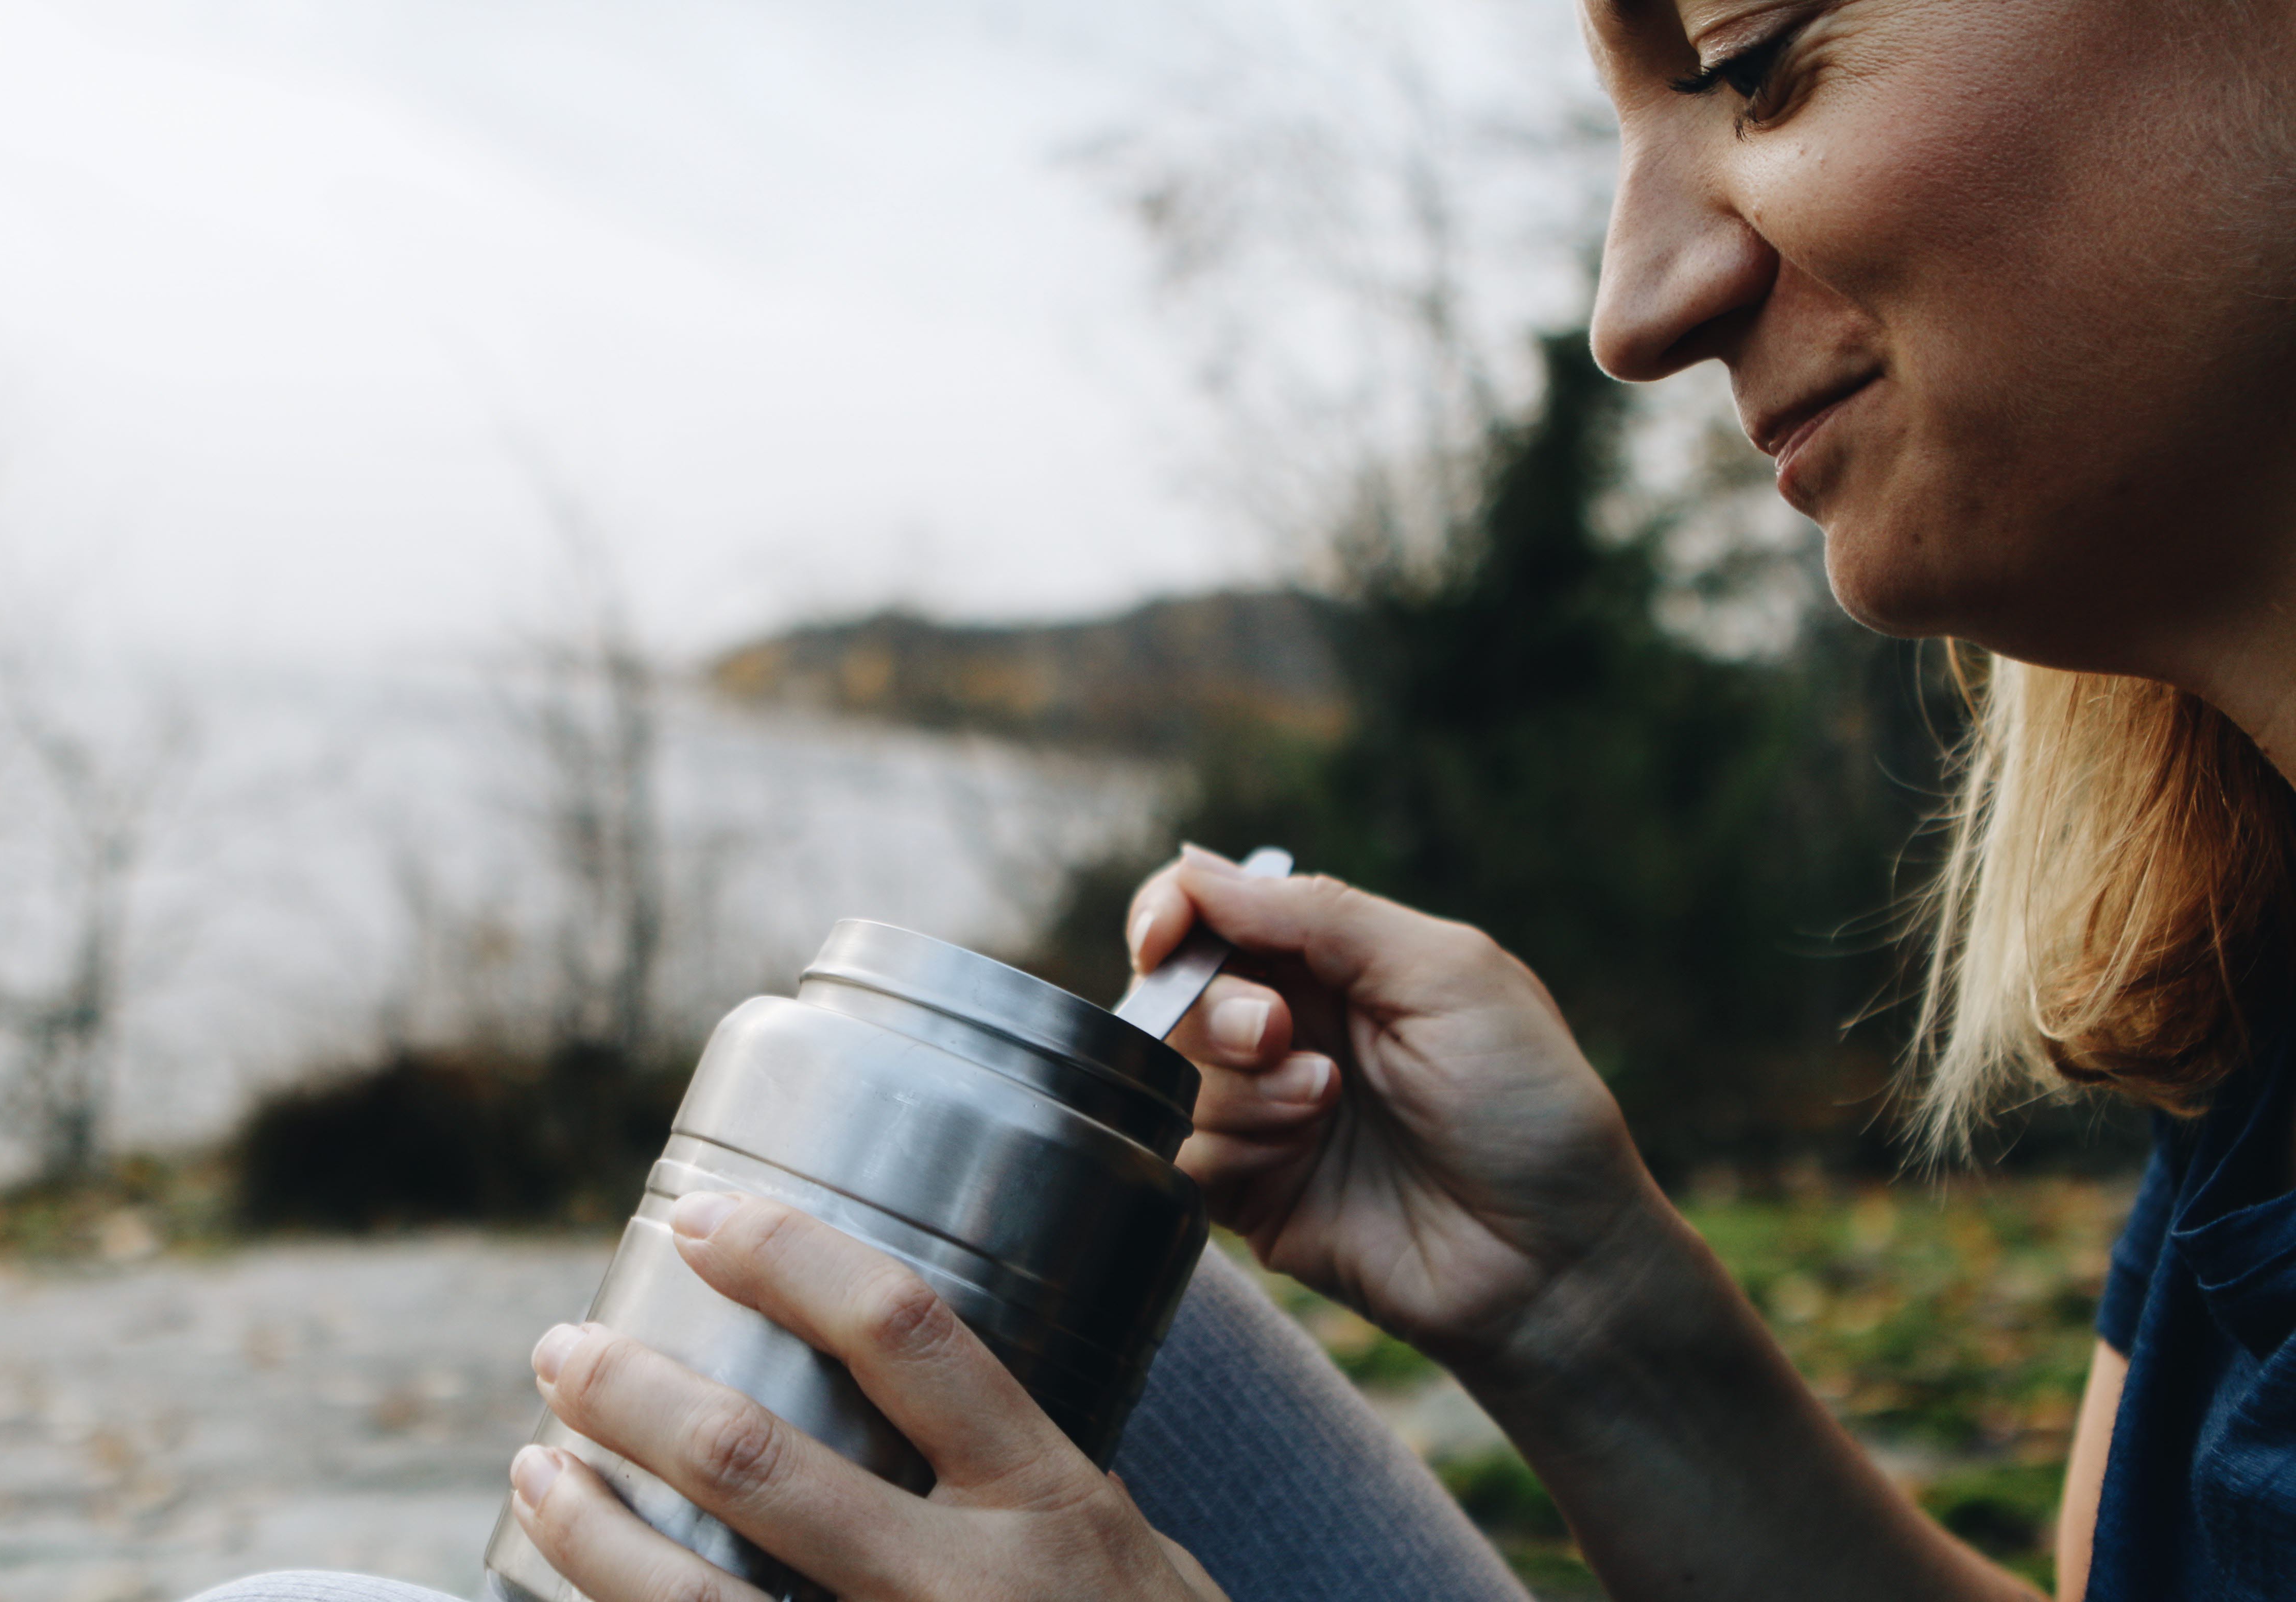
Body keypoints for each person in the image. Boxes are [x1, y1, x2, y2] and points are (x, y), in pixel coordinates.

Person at [197, 1, 2296, 1597]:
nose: (1639, 307)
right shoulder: (2253, 987)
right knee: (1017, 1272)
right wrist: (1581, 1304)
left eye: (1758, 68)